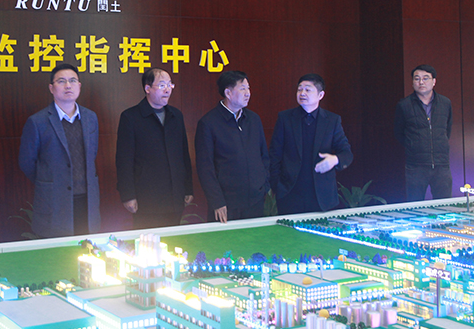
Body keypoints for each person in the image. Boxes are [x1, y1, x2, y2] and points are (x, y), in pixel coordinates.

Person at [19, 63, 100, 238]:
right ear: (51, 88)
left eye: (73, 81)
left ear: (79, 86)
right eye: (61, 81)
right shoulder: (37, 121)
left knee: (87, 248)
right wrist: (50, 180)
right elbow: (27, 162)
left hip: (87, 200)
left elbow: (92, 154)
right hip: (54, 201)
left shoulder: (90, 117)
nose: (68, 85)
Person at [116, 68, 193, 229]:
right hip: (147, 197)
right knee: (148, 241)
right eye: (162, 85)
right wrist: (128, 195)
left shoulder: (176, 115)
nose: (167, 89)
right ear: (147, 88)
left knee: (174, 240)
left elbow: (184, 155)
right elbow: (124, 160)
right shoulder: (130, 117)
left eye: (170, 85)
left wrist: (188, 188)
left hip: (175, 195)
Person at [269, 74, 353, 215]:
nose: (302, 93)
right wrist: (276, 186)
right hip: (290, 194)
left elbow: (346, 152)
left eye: (307, 90)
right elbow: (274, 154)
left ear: (320, 95)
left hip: (322, 195)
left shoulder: (332, 120)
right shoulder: (285, 118)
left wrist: (335, 159)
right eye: (299, 89)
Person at [195, 71, 269, 223]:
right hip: (226, 204)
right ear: (228, 93)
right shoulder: (208, 123)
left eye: (248, 88)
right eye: (242, 89)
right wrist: (217, 201)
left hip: (255, 201)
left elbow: (264, 156)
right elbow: (205, 168)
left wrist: (264, 185)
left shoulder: (253, 119)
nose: (248, 93)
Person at [394, 64, 453, 201]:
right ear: (412, 82)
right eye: (417, 78)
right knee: (415, 205)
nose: (421, 82)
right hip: (416, 166)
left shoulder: (445, 103)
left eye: (425, 78)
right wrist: (413, 145)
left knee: (445, 206)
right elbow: (398, 133)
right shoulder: (404, 105)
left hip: (441, 164)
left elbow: (447, 130)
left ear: (434, 81)